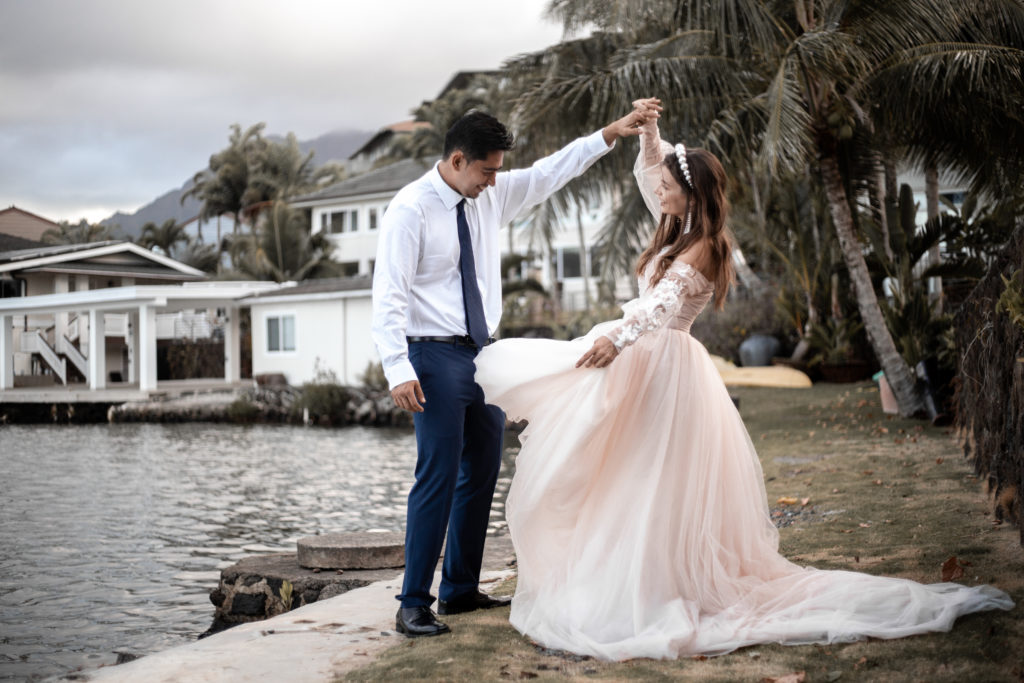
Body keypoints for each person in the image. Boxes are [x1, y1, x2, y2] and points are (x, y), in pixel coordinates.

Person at [473, 97, 1014, 660]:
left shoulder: (706, 245)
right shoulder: (675, 224)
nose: (658, 192)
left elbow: (661, 307)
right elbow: (648, 172)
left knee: (651, 477)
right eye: (659, 188)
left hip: (664, 365)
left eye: (668, 187)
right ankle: (630, 574)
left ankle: (658, 586)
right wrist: (648, 129)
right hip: (646, 361)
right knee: (622, 472)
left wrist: (617, 338)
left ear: (693, 192)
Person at [372, 107, 655, 638]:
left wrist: (607, 136)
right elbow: (388, 294)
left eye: (498, 171)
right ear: (457, 160)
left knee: (482, 468)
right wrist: (396, 367)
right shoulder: (409, 210)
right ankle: (413, 602)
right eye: (486, 171)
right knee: (436, 473)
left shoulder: (490, 195)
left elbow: (549, 173)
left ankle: (459, 589)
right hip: (431, 356)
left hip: (483, 357)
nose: (495, 181)